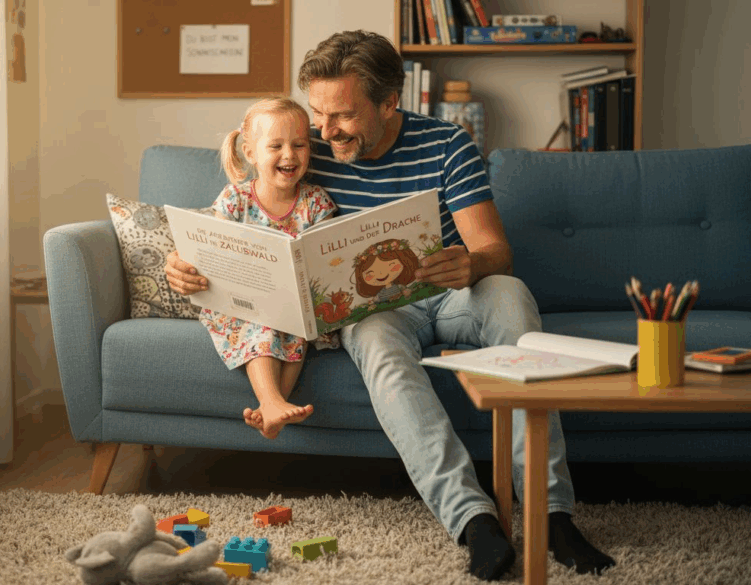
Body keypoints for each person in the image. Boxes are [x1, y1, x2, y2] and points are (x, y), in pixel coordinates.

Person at [165, 31, 617, 581]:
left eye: (342, 115)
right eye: (318, 113)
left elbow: (495, 250)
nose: (325, 131)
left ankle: (554, 514)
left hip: (453, 294)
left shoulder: (447, 144)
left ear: (387, 103)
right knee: (376, 341)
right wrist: (185, 262)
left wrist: (471, 264)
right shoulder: (303, 150)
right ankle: (474, 521)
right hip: (378, 311)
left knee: (512, 295)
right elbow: (239, 217)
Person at [201, 96, 339, 441]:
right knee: (262, 321)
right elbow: (214, 254)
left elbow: (327, 260)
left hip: (294, 303)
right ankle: (273, 402)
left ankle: (272, 409)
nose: (289, 155)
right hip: (242, 302)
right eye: (276, 146)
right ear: (251, 152)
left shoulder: (316, 203)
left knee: (297, 322)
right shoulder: (234, 200)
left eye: (299, 145)